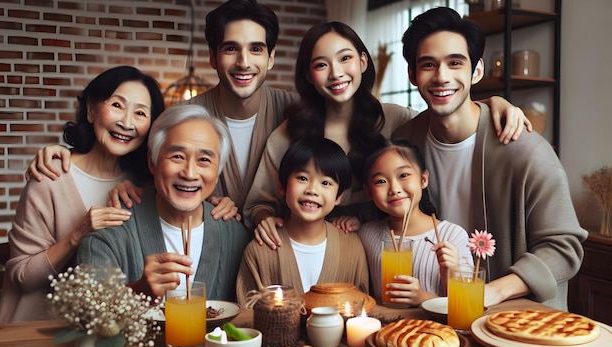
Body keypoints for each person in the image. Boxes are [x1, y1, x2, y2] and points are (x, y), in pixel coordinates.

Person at [243, 21, 531, 250]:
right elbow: (259, 202)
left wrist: (494, 103)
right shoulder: (289, 132)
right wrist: (264, 218)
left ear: (363, 62)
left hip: (380, 246)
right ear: (308, 75)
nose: (336, 73)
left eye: (346, 59)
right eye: (321, 65)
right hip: (310, 245)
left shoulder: (394, 119)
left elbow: (448, 114)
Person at [25, 0, 296, 218]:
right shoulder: (182, 118)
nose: (244, 62)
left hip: (281, 261)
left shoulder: (296, 111)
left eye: (257, 49)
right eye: (230, 48)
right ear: (213, 57)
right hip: (205, 260)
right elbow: (148, 167)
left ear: (271, 58)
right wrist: (66, 153)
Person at [393, 7, 587, 310]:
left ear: (477, 70)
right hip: (430, 312)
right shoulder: (404, 143)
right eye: (428, 65)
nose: (442, 77)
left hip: (512, 317)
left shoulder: (524, 149)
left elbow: (564, 248)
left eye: (455, 63)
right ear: (412, 75)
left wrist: (493, 292)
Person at [0, 66, 165, 325]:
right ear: (91, 109)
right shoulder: (51, 176)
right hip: (41, 331)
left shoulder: (147, 186)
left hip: (115, 333)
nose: (127, 123)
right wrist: (79, 232)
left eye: (140, 113)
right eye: (117, 105)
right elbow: (22, 276)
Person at [77, 105, 251, 301]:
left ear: (218, 172)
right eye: (177, 156)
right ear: (152, 161)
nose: (190, 173)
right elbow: (84, 316)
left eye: (204, 160)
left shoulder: (236, 236)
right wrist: (136, 291)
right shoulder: (110, 234)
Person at [236, 138, 369, 305]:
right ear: (282, 186)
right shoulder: (259, 251)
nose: (312, 190)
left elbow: (363, 309)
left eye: (326, 182)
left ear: (339, 196)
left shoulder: (352, 248)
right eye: (303, 178)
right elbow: (248, 318)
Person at [359, 138, 473, 306]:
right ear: (368, 191)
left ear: (423, 179)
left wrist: (423, 297)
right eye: (381, 181)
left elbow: (467, 306)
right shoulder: (367, 234)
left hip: (437, 331)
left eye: (403, 175)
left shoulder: (453, 236)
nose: (394, 189)